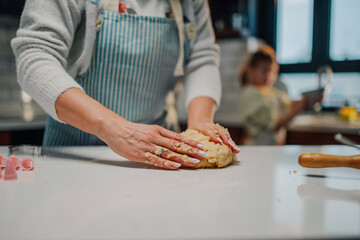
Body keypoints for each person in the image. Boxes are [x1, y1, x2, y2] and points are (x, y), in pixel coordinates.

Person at [11, 0, 239, 170]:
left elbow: (201, 58)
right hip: (74, 153)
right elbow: (35, 56)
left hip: (157, 158)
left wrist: (200, 124)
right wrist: (113, 128)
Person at [238, 45, 315, 145]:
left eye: (272, 71)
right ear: (252, 70)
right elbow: (273, 124)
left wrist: (309, 100)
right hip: (257, 147)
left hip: (272, 148)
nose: (269, 75)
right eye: (264, 70)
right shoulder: (251, 93)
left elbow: (289, 105)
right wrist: (302, 104)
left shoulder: (272, 92)